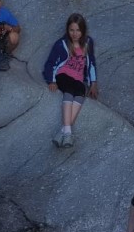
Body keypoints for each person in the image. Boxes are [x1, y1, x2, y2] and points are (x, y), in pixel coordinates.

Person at [42, 13, 98, 148]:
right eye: (71, 30)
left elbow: (91, 63)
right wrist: (51, 80)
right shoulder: (61, 44)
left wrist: (93, 83)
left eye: (78, 30)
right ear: (67, 30)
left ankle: (63, 131)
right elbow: (50, 63)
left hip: (78, 77)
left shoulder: (88, 42)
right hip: (63, 75)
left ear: (83, 31)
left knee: (80, 91)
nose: (75, 33)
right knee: (70, 89)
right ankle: (68, 133)